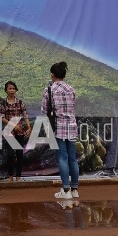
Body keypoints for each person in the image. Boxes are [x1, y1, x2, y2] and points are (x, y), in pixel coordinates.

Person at [41, 61, 79, 200]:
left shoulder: (49, 90)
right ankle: (75, 189)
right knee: (72, 159)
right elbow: (72, 106)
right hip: (72, 125)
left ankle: (66, 190)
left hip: (58, 126)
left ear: (52, 74)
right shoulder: (71, 89)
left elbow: (44, 109)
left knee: (62, 157)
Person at [0, 80, 31, 182]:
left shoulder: (20, 102)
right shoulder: (3, 103)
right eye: (10, 88)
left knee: (19, 153)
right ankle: (10, 176)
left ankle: (18, 177)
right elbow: (2, 118)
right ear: (6, 90)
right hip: (9, 130)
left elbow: (25, 115)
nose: (12, 90)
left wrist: (29, 127)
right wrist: (13, 125)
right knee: (10, 154)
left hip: (20, 130)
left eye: (13, 88)